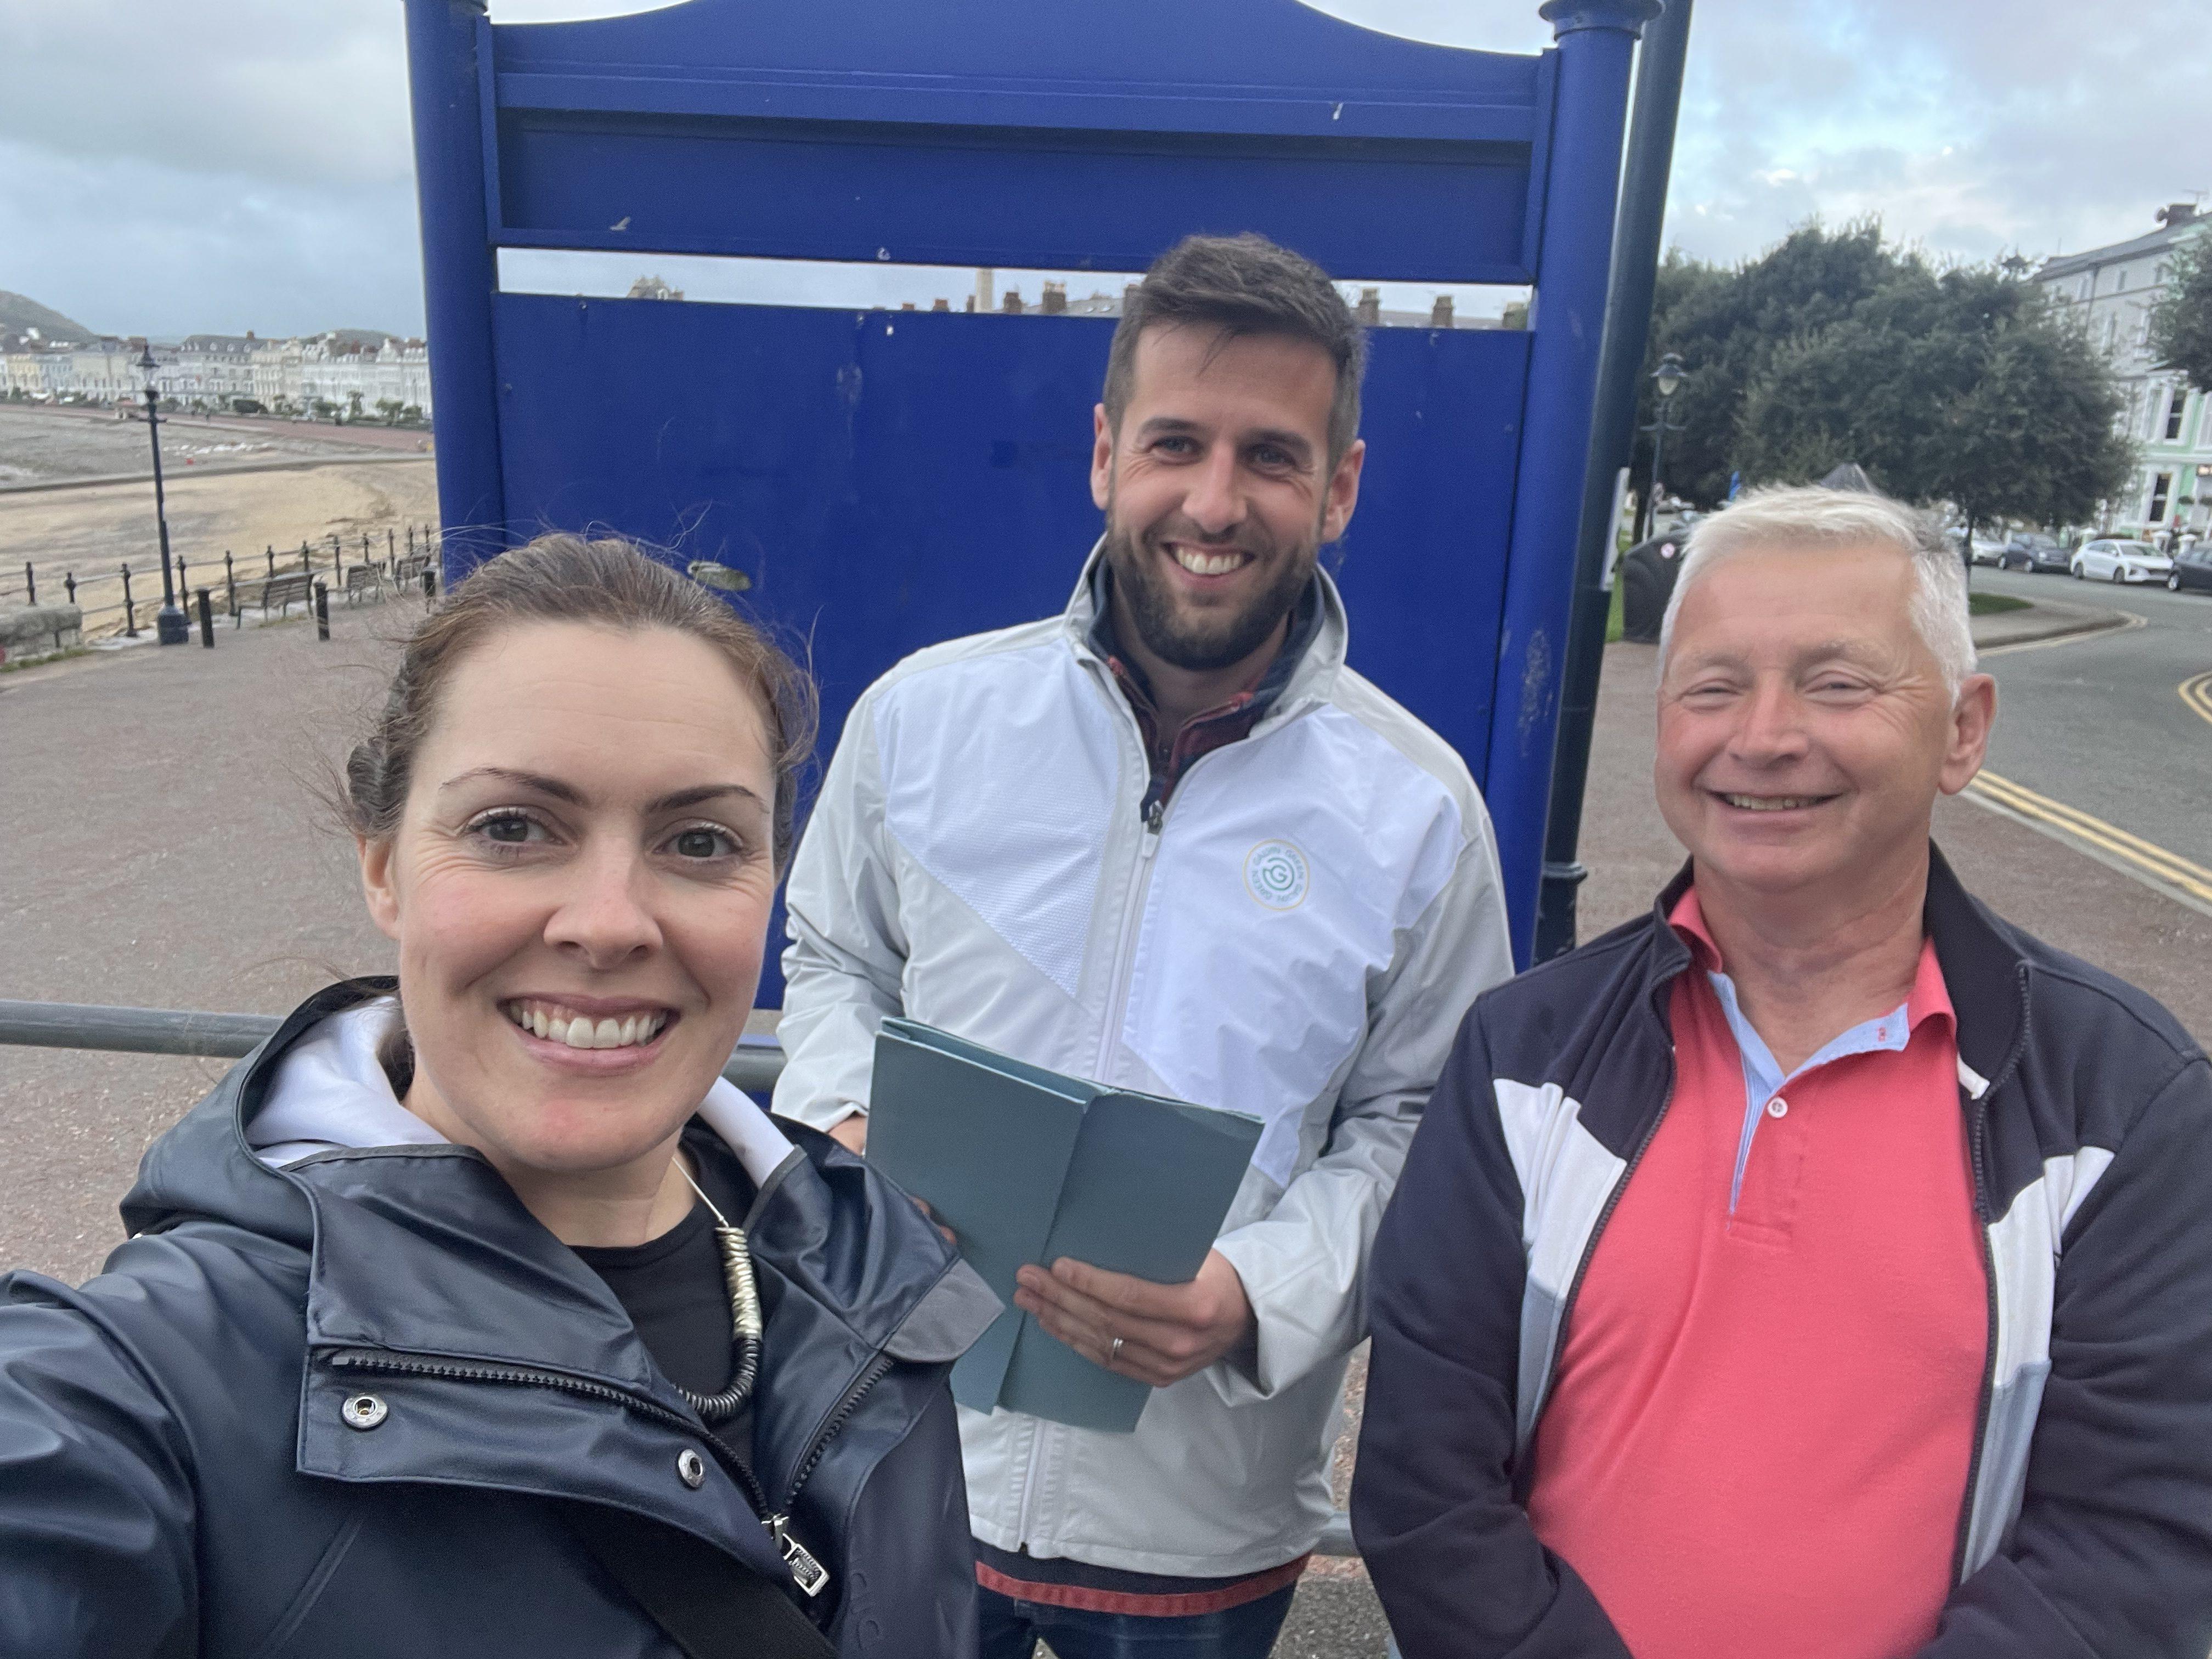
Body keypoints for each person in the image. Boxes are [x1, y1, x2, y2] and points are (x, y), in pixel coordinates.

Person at [0, 535, 998, 1658]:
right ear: (382, 864)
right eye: (513, 828)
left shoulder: (867, 1272)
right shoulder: (154, 1390)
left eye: (700, 840)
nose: (610, 920)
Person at [773, 232, 1514, 1658]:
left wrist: (1259, 1298)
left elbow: (1424, 1128)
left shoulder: (1419, 809)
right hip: (908, 1449)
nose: (1215, 501)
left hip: (1206, 1518)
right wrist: (850, 1128)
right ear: (1108, 453)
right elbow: (831, 960)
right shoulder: (922, 722)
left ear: (1341, 487)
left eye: (1273, 456)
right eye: (1177, 443)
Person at [1353, 485, 2212, 1657]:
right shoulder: (1522, 1052)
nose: (1761, 736)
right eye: (1712, 686)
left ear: (1964, 729)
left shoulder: (2124, 1104)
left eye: (1836, 682)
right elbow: (1424, 1480)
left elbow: (2135, 1545)